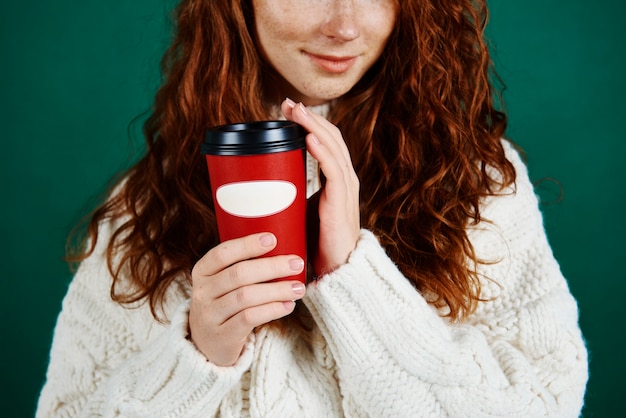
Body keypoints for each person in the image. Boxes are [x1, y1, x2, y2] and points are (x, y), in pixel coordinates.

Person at [36, 0, 588, 416]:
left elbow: (545, 401)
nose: (345, 25)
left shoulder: (475, 183)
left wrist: (356, 282)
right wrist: (194, 357)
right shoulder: (142, 211)